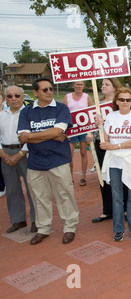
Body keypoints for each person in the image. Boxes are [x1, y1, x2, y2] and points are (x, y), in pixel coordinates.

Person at [18, 76, 79, 245]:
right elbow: (23, 138)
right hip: (35, 163)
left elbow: (57, 132)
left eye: (51, 89)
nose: (49, 92)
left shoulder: (61, 109)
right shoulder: (26, 112)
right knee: (39, 197)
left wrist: (31, 136)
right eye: (45, 90)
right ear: (36, 93)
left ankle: (69, 227)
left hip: (59, 161)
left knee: (65, 195)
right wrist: (48, 135)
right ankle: (43, 228)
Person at [96, 87, 131, 242]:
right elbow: (106, 139)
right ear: (116, 101)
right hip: (114, 162)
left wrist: (116, 147)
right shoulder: (111, 117)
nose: (125, 102)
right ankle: (118, 229)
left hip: (130, 161)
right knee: (116, 197)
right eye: (122, 99)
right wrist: (99, 126)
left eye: (128, 100)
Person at [89, 78, 128, 223]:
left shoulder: (121, 103)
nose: (103, 86)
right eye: (102, 84)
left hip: (118, 147)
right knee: (103, 177)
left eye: (106, 84)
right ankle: (107, 210)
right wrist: (90, 136)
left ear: (114, 87)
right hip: (101, 146)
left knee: (122, 178)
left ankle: (124, 209)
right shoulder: (96, 106)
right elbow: (89, 126)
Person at [0, 86, 36, 233]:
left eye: (16, 95)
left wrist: (20, 154)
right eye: (9, 96)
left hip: (26, 152)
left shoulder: (30, 114)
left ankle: (36, 221)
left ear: (22, 97)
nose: (13, 98)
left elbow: (34, 134)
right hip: (5, 154)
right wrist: (3, 155)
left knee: (32, 188)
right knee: (12, 189)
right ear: (5, 99)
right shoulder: (1, 115)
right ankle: (18, 220)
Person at [64, 81, 93, 186]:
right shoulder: (67, 97)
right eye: (77, 84)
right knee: (69, 154)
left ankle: (83, 177)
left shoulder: (87, 97)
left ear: (83, 86)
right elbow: (64, 113)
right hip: (72, 129)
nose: (79, 86)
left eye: (81, 84)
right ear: (73, 85)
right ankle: (70, 177)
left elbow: (91, 113)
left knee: (83, 152)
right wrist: (65, 131)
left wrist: (90, 131)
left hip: (84, 129)